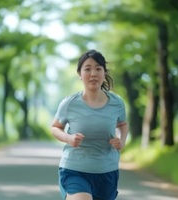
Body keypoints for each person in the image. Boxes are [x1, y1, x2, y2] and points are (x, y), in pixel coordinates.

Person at [51, 49, 129, 200]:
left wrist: (122, 141)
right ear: (80, 74)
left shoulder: (117, 103)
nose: (93, 73)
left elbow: (123, 124)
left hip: (107, 172)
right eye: (87, 69)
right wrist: (68, 138)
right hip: (74, 170)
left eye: (98, 69)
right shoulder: (70, 103)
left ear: (104, 73)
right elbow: (55, 127)